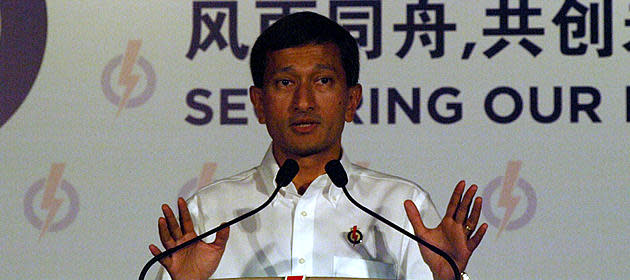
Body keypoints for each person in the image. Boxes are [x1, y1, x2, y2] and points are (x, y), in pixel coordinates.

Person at [149, 11, 487, 280]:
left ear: (351, 99)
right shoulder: (208, 213)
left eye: (323, 81)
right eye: (285, 82)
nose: (304, 101)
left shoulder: (400, 208)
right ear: (259, 103)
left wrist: (447, 278)